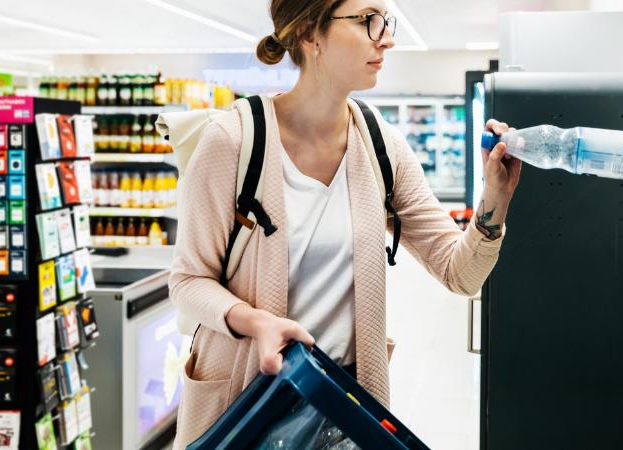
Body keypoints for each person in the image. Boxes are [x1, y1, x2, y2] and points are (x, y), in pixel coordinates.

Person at [168, 0, 522, 447]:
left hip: (342, 409)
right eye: (368, 20)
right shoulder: (234, 141)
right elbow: (187, 281)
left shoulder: (380, 145)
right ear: (309, 35)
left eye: (386, 22)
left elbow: (461, 274)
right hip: (249, 402)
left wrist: (495, 197)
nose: (387, 37)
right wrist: (255, 322)